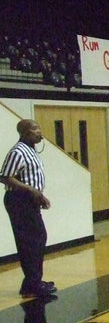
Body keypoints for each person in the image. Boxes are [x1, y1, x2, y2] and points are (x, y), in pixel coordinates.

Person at [0, 119, 58, 298]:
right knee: (31, 241)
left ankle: (32, 282)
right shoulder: (18, 152)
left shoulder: (31, 150)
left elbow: (31, 177)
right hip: (19, 201)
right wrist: (31, 190)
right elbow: (4, 177)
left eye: (39, 128)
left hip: (29, 200)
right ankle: (33, 284)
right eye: (34, 129)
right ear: (25, 132)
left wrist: (39, 196)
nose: (39, 131)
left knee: (38, 238)